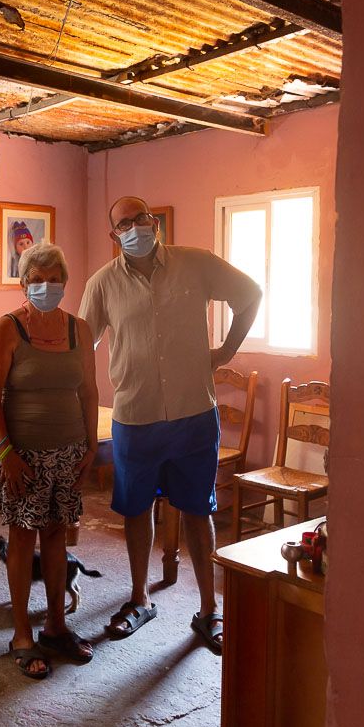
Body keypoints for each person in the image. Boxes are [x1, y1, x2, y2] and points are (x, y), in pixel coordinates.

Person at [78, 196, 262, 655]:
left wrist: (227, 350)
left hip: (193, 413)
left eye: (141, 218)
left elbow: (250, 294)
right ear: (113, 235)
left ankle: (209, 610)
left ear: (154, 223)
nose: (135, 227)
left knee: (198, 510)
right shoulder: (102, 284)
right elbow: (81, 346)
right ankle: (140, 599)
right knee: (136, 509)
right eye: (124, 223)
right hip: (135, 416)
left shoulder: (196, 264)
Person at [0, 242, 100, 679]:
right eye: (37, 280)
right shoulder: (8, 328)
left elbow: (89, 391)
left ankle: (55, 626)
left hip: (69, 450)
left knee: (56, 536)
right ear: (23, 283)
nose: (46, 286)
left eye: (54, 279)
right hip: (22, 455)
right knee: (22, 537)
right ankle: (20, 634)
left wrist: (90, 446)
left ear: (65, 283)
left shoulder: (79, 329)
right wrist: (5, 451)